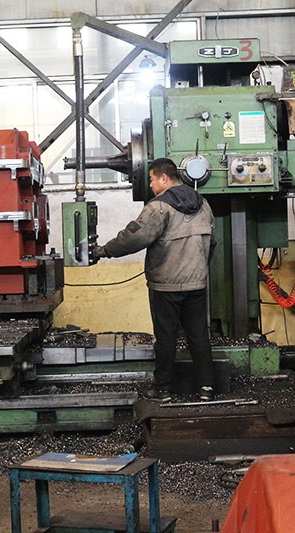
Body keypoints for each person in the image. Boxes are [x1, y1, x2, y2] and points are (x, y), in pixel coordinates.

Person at [92, 158, 216, 402]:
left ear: (164, 178)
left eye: (151, 179)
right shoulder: (203, 204)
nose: (150, 185)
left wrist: (104, 250)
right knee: (199, 336)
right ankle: (206, 388)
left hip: (166, 285)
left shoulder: (159, 207)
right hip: (197, 283)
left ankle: (163, 390)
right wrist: (199, 269)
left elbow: (134, 238)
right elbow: (212, 243)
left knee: (166, 338)